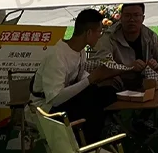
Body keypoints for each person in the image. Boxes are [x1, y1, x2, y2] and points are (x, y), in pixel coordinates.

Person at [31, 9, 122, 143]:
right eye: (99, 32)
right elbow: (55, 99)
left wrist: (101, 76)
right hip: (46, 106)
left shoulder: (80, 51)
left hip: (64, 100)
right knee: (91, 105)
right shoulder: (57, 56)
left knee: (106, 93)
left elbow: (80, 78)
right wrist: (91, 79)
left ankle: (95, 138)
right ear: (89, 33)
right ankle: (89, 144)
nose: (100, 36)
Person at [92, 2, 158, 74]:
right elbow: (100, 65)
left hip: (145, 83)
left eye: (136, 15)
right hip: (118, 83)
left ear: (142, 18)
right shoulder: (110, 37)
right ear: (121, 18)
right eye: (127, 16)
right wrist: (128, 67)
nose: (132, 19)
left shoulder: (150, 36)